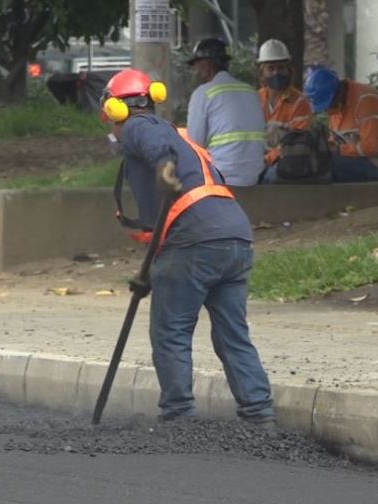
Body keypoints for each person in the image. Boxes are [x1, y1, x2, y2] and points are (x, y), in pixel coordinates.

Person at [100, 68, 276, 424]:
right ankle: (260, 416)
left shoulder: (137, 125)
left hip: (194, 241)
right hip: (234, 238)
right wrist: (149, 273)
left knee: (171, 331)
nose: (111, 129)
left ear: (115, 110)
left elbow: (154, 145)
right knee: (232, 334)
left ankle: (179, 418)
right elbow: (164, 221)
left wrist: (164, 167)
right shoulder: (180, 136)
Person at [185, 38, 266, 187]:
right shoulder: (251, 92)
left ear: (207, 67)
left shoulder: (203, 93)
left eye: (196, 68)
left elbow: (194, 145)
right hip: (254, 176)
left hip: (221, 176)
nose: (195, 73)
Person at [304, 67, 378, 182]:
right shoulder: (337, 103)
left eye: (329, 105)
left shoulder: (366, 101)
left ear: (339, 92)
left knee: (324, 166)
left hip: (377, 163)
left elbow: (370, 147)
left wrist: (339, 150)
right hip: (352, 159)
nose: (327, 111)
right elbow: (336, 140)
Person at [256, 39, 313, 181]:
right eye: (271, 68)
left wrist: (267, 159)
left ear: (289, 71)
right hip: (256, 160)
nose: (276, 73)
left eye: (281, 68)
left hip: (286, 162)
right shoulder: (255, 99)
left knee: (271, 178)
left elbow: (296, 143)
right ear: (262, 74)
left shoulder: (300, 103)